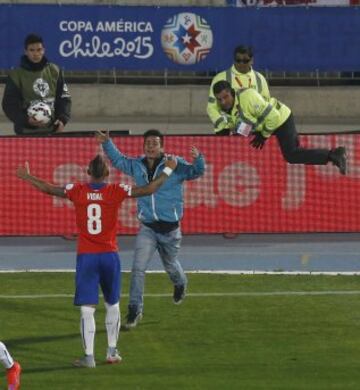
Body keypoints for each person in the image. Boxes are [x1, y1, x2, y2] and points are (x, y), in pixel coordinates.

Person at [16, 153, 177, 368]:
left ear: (88, 172)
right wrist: (168, 169)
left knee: (87, 309)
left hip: (87, 257)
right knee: (113, 304)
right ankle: (111, 352)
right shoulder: (115, 191)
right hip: (110, 255)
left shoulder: (77, 191)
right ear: (108, 173)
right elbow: (149, 189)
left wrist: (28, 177)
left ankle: (89, 357)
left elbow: (49, 188)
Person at [96, 129, 206, 329]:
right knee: (138, 269)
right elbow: (119, 161)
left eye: (155, 143)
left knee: (171, 266)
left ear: (162, 146)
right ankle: (134, 310)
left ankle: (180, 283)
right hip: (147, 228)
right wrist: (107, 143)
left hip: (170, 230)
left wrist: (198, 159)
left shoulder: (175, 164)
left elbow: (196, 172)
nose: (150, 146)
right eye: (147, 143)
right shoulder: (137, 165)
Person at [212, 80, 347, 175]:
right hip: (265, 126)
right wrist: (230, 130)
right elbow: (241, 124)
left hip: (281, 119)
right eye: (219, 99)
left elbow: (274, 117)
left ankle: (334, 154)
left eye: (226, 97)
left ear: (232, 92)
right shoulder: (222, 108)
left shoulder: (248, 97)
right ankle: (333, 155)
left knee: (291, 155)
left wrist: (264, 135)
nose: (223, 102)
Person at [2, 33, 71, 135]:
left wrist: (62, 119)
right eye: (32, 50)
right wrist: (26, 120)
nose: (36, 54)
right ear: (26, 52)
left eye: (39, 50)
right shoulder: (16, 75)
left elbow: (64, 98)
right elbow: (9, 104)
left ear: (44, 50)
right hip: (26, 132)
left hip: (52, 131)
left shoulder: (54, 71)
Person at [207, 45, 270, 135]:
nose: (241, 63)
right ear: (234, 60)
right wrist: (224, 126)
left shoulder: (260, 79)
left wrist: (261, 127)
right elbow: (211, 107)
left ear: (252, 60)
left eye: (245, 61)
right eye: (238, 60)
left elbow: (266, 106)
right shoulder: (220, 78)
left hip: (254, 131)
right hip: (227, 131)